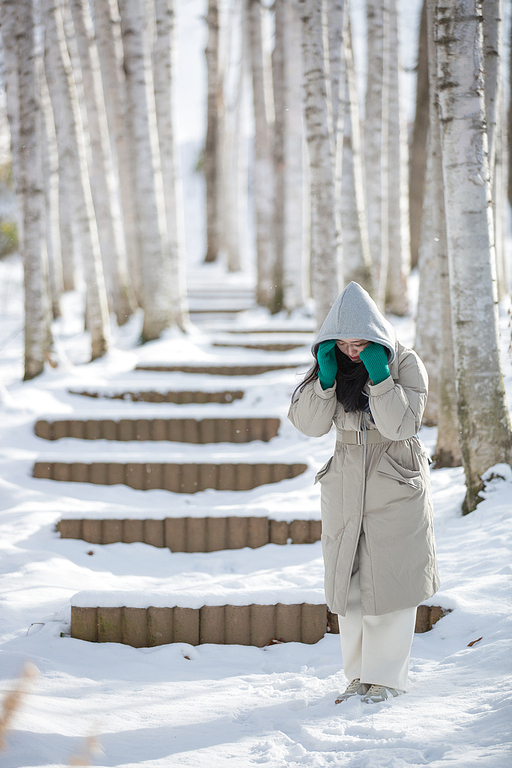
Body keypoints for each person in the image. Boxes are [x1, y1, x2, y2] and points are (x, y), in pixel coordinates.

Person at [288, 281, 440, 704]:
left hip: (394, 477)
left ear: (376, 335)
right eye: (343, 343)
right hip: (345, 479)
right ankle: (358, 675)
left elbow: (400, 427)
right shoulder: (331, 364)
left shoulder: (405, 363)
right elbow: (309, 424)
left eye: (360, 343)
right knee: (350, 584)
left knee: (389, 582)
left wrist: (381, 376)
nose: (352, 351)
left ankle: (385, 678)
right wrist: (324, 378)